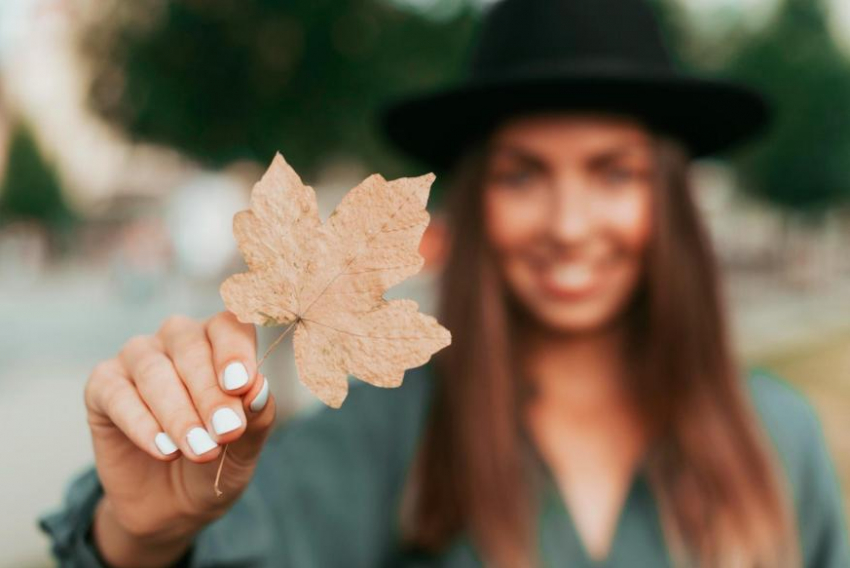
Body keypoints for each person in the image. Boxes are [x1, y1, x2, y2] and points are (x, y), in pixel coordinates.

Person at [40, 0, 849, 566]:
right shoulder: (387, 438)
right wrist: (144, 536)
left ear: (668, 201)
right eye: (522, 176)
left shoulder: (781, 440)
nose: (568, 225)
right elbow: (222, 544)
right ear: (473, 201)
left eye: (613, 174)